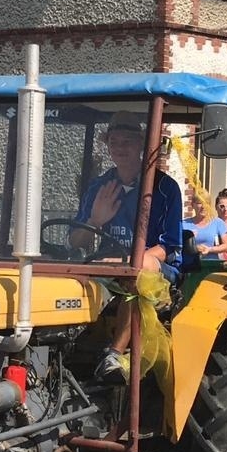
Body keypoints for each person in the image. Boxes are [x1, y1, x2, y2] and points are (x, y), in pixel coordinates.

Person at [72, 113, 183, 382]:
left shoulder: (165, 188)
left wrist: (126, 262)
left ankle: (114, 354)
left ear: (141, 144)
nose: (120, 148)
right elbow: (75, 242)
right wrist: (94, 220)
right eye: (114, 141)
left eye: (127, 141)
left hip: (156, 268)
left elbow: (168, 246)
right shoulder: (99, 186)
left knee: (137, 272)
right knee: (61, 272)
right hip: (106, 264)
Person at [183, 188, 227, 259]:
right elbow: (176, 246)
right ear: (192, 205)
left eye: (206, 203)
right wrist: (193, 247)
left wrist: (209, 249)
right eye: (199, 203)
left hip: (210, 264)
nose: (203, 207)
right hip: (189, 264)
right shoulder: (184, 224)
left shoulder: (218, 223)